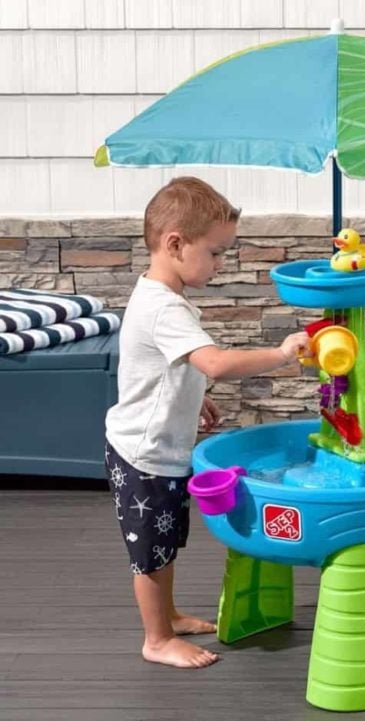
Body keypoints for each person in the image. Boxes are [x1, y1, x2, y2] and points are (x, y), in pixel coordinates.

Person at [105, 177, 310, 668]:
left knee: (167, 539)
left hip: (156, 448)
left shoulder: (159, 298)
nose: (221, 264)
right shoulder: (163, 308)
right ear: (175, 244)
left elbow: (166, 368)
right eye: (216, 253)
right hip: (145, 454)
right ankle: (156, 639)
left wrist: (191, 400)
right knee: (151, 553)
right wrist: (282, 353)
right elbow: (214, 362)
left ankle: (169, 616)